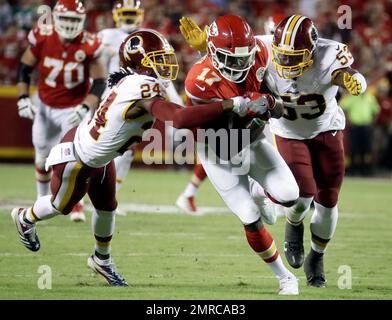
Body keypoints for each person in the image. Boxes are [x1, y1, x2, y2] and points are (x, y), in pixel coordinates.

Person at [11, 28, 269, 287]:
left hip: (97, 152)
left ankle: (101, 260)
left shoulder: (140, 82)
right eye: (157, 59)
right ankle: (25, 217)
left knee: (107, 208)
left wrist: (206, 57)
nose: (165, 64)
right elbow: (179, 118)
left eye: (164, 57)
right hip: (79, 158)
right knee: (60, 206)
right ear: (138, 64)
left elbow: (186, 104)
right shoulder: (139, 87)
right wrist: (232, 104)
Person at [179, 14, 367, 288]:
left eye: (295, 56)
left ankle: (317, 255)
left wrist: (352, 79)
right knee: (300, 197)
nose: (286, 61)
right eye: (283, 55)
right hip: (282, 132)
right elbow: (231, 56)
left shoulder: (325, 54)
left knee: (328, 198)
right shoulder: (263, 47)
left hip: (325, 128)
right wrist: (204, 52)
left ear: (312, 51)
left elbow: (345, 73)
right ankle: (288, 229)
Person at [180, 15, 300, 295]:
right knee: (249, 216)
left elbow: (281, 106)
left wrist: (270, 101)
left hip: (253, 142)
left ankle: (260, 191)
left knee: (290, 195)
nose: (240, 64)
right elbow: (203, 122)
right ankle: (285, 278)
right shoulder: (199, 79)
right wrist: (237, 106)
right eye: (230, 59)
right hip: (218, 151)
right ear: (212, 53)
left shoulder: (260, 49)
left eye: (244, 57)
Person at [16, 0, 107, 222]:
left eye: (74, 19)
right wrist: (23, 97)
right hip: (46, 104)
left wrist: (85, 106)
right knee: (42, 156)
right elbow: (25, 67)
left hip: (74, 107)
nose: (69, 23)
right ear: (56, 18)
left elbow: (99, 81)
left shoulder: (89, 43)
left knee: (77, 156)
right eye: (65, 18)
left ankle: (77, 203)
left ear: (82, 21)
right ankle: (41, 200)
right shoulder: (43, 35)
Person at [100, 0, 184, 198]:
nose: (128, 18)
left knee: (125, 151)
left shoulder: (149, 36)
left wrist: (177, 103)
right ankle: (95, 195)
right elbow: (94, 69)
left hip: (136, 93)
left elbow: (160, 74)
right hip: (116, 97)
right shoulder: (105, 37)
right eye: (125, 13)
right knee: (108, 150)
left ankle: (109, 196)